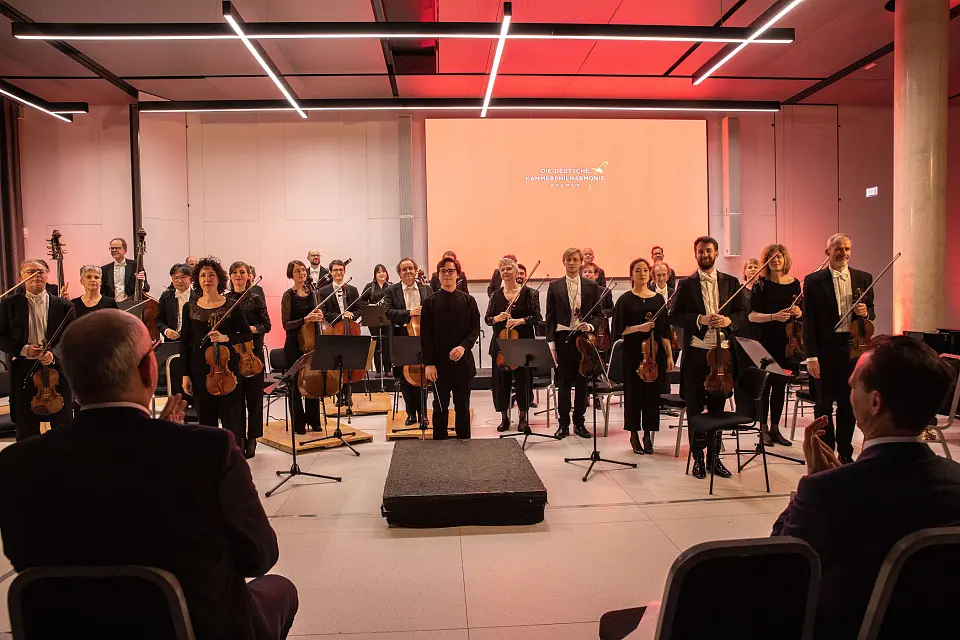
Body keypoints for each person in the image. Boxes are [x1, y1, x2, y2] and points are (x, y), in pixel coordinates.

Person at [0, 309, 298, 640]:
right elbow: (258, 556)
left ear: (68, 377)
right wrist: (173, 440)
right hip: (197, 628)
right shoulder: (207, 450)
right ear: (150, 369)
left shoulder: (16, 462)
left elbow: (27, 557)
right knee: (280, 588)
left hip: (69, 628)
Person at [772, 335, 960, 640]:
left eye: (852, 387)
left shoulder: (828, 493)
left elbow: (781, 566)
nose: (848, 396)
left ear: (875, 402)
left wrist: (809, 486)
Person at [669, 236, 742, 480]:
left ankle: (714, 458)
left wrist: (729, 320)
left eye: (708, 251)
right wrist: (699, 320)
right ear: (696, 254)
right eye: (700, 251)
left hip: (722, 354)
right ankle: (698, 458)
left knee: (717, 409)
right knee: (695, 409)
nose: (704, 255)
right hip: (696, 354)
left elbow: (742, 313)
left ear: (716, 253)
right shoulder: (686, 284)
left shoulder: (731, 283)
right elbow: (675, 316)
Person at [803, 233, 874, 464]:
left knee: (848, 402)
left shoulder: (864, 278)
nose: (843, 253)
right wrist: (811, 356)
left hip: (852, 350)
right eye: (838, 249)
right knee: (823, 404)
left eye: (847, 249)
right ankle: (825, 451)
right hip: (824, 351)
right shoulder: (813, 281)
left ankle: (845, 452)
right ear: (828, 253)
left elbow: (870, 312)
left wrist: (866, 313)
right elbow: (809, 322)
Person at [180, 257, 252, 448]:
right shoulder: (190, 308)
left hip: (228, 369)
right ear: (198, 280)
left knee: (232, 418)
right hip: (200, 370)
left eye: (211, 275)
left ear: (219, 279)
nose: (207, 279)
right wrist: (185, 374)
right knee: (206, 419)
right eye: (203, 275)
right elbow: (185, 343)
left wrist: (225, 338)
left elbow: (245, 335)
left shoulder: (231, 306)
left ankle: (234, 456)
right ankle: (210, 460)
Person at [0, 260, 75, 440]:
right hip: (23, 369)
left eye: (41, 271)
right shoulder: (8, 304)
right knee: (26, 426)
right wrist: (24, 349)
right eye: (30, 271)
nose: (36, 275)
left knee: (63, 424)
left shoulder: (65, 305)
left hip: (57, 369)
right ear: (21, 277)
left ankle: (64, 462)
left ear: (47, 275)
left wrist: (53, 354)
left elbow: (70, 337)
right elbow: (1, 337)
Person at [613, 258, 673, 455]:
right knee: (633, 395)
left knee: (651, 396)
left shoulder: (658, 299)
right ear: (631, 275)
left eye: (645, 270)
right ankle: (633, 434)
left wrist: (670, 356)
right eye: (637, 270)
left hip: (654, 355)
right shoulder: (624, 300)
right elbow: (619, 331)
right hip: (632, 355)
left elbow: (664, 331)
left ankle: (648, 434)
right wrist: (641, 328)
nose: (642, 273)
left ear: (650, 274)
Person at [546, 247, 602, 439]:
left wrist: (591, 326)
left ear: (580, 263)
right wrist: (551, 344)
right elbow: (550, 317)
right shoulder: (554, 286)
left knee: (582, 382)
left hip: (583, 339)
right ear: (564, 262)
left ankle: (579, 422)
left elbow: (598, 315)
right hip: (563, 338)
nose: (571, 263)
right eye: (568, 259)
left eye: (575, 260)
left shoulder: (591, 286)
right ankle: (563, 424)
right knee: (563, 382)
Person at [748, 245, 801, 447]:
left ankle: (775, 428)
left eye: (779, 257)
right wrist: (774, 317)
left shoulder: (795, 284)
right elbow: (752, 316)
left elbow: (801, 311)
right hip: (765, 341)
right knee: (766, 386)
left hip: (787, 344)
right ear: (766, 261)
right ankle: (762, 429)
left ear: (785, 259)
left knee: (780, 387)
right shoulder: (761, 285)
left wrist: (798, 312)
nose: (776, 260)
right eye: (771, 257)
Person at [422, 256, 479, 439]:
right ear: (438, 275)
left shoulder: (469, 301)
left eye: (451, 271)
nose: (447, 274)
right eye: (443, 271)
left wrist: (463, 347)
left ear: (458, 275)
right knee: (439, 407)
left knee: (462, 407)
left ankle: (465, 448)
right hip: (438, 365)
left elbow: (474, 330)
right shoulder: (430, 302)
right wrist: (429, 364)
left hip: (463, 363)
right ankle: (440, 449)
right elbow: (426, 335)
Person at [485, 257, 541, 432]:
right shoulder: (496, 295)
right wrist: (497, 318)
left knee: (524, 380)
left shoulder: (530, 293)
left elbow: (537, 317)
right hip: (501, 344)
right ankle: (504, 418)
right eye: (503, 270)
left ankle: (523, 418)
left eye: (509, 269)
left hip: (522, 343)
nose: (506, 272)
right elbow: (488, 319)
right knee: (501, 382)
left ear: (517, 272)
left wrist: (520, 321)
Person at [227, 261, 271, 459]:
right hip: (231, 355)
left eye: (242, 272)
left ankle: (253, 438)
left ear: (248, 276)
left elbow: (266, 325)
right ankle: (239, 438)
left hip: (252, 355)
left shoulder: (255, 297)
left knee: (253, 399)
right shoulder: (225, 300)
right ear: (229, 277)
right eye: (234, 272)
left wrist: (249, 330)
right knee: (235, 400)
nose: (238, 275)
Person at [384, 258, 433, 426]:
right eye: (404, 269)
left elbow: (434, 311)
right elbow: (388, 312)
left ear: (415, 270)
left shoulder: (426, 289)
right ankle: (411, 414)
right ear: (399, 273)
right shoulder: (392, 290)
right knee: (405, 378)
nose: (408, 272)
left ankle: (424, 414)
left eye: (411, 268)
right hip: (402, 337)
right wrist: (409, 312)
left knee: (422, 376)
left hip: (422, 337)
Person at [281, 260, 323, 434]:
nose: (301, 273)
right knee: (295, 385)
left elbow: (321, 313)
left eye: (303, 270)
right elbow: (286, 324)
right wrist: (305, 320)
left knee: (313, 381)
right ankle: (299, 423)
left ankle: (314, 420)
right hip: (294, 344)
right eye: (297, 271)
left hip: (312, 342)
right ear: (291, 274)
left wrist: (320, 315)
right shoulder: (288, 295)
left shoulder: (314, 292)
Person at [320, 259, 360, 414]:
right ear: (330, 273)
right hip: (334, 330)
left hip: (350, 329)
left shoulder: (352, 289)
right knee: (336, 362)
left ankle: (348, 394)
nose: (338, 273)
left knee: (350, 361)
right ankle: (338, 393)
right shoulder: (324, 291)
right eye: (335, 270)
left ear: (344, 271)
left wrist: (351, 315)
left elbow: (359, 308)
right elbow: (324, 313)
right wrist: (339, 316)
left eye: (341, 270)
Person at [359, 264, 393, 376]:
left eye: (383, 271)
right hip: (373, 319)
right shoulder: (370, 287)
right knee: (376, 343)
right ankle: (378, 370)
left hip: (387, 318)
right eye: (378, 272)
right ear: (375, 275)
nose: (381, 274)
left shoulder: (391, 286)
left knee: (387, 343)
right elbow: (361, 301)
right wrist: (370, 305)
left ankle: (388, 369)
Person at [100, 237, 148, 302]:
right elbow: (102, 291)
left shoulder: (135, 265)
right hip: (113, 306)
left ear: (125, 250)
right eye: (112, 248)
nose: (114, 250)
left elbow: (146, 288)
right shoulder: (104, 269)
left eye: (117, 248)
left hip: (131, 304)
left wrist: (141, 282)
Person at [157, 263, 195, 342]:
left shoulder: (199, 296)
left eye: (183, 277)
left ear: (190, 278)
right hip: (172, 341)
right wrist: (166, 331)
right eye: (175, 278)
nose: (179, 281)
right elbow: (158, 320)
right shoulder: (166, 296)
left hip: (193, 342)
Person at [736, 258, 761, 340]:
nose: (753, 269)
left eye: (756, 267)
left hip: (760, 329)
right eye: (750, 267)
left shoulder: (763, 289)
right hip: (743, 330)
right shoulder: (738, 289)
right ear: (744, 272)